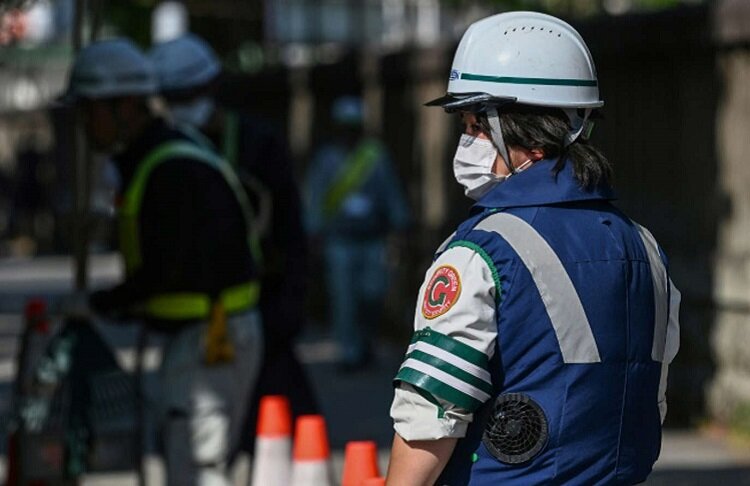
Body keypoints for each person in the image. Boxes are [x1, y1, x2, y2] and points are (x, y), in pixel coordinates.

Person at [386, 11, 680, 485]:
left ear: (533, 139)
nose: (466, 143)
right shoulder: (645, 248)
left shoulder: (479, 252)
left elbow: (431, 414)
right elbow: (652, 400)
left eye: (477, 126)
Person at [65, 38, 263, 486]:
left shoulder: (170, 168)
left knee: (199, 467)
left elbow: (164, 268)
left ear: (125, 106)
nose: (85, 124)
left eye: (90, 111)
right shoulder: (158, 156)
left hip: (212, 340)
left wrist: (98, 303)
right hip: (199, 337)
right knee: (183, 460)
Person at [148, 34, 319, 449]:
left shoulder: (257, 143)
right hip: (191, 321)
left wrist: (288, 308)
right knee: (193, 434)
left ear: (211, 86)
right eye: (173, 98)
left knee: (282, 422)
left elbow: (289, 228)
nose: (183, 106)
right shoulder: (164, 152)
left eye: (189, 94)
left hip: (260, 307)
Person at [306, 96, 410, 370]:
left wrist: (400, 224)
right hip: (340, 241)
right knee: (344, 298)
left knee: (372, 294)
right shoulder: (326, 159)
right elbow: (315, 197)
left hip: (372, 238)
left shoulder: (375, 156)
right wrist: (314, 232)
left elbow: (391, 193)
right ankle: (349, 353)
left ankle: (366, 341)